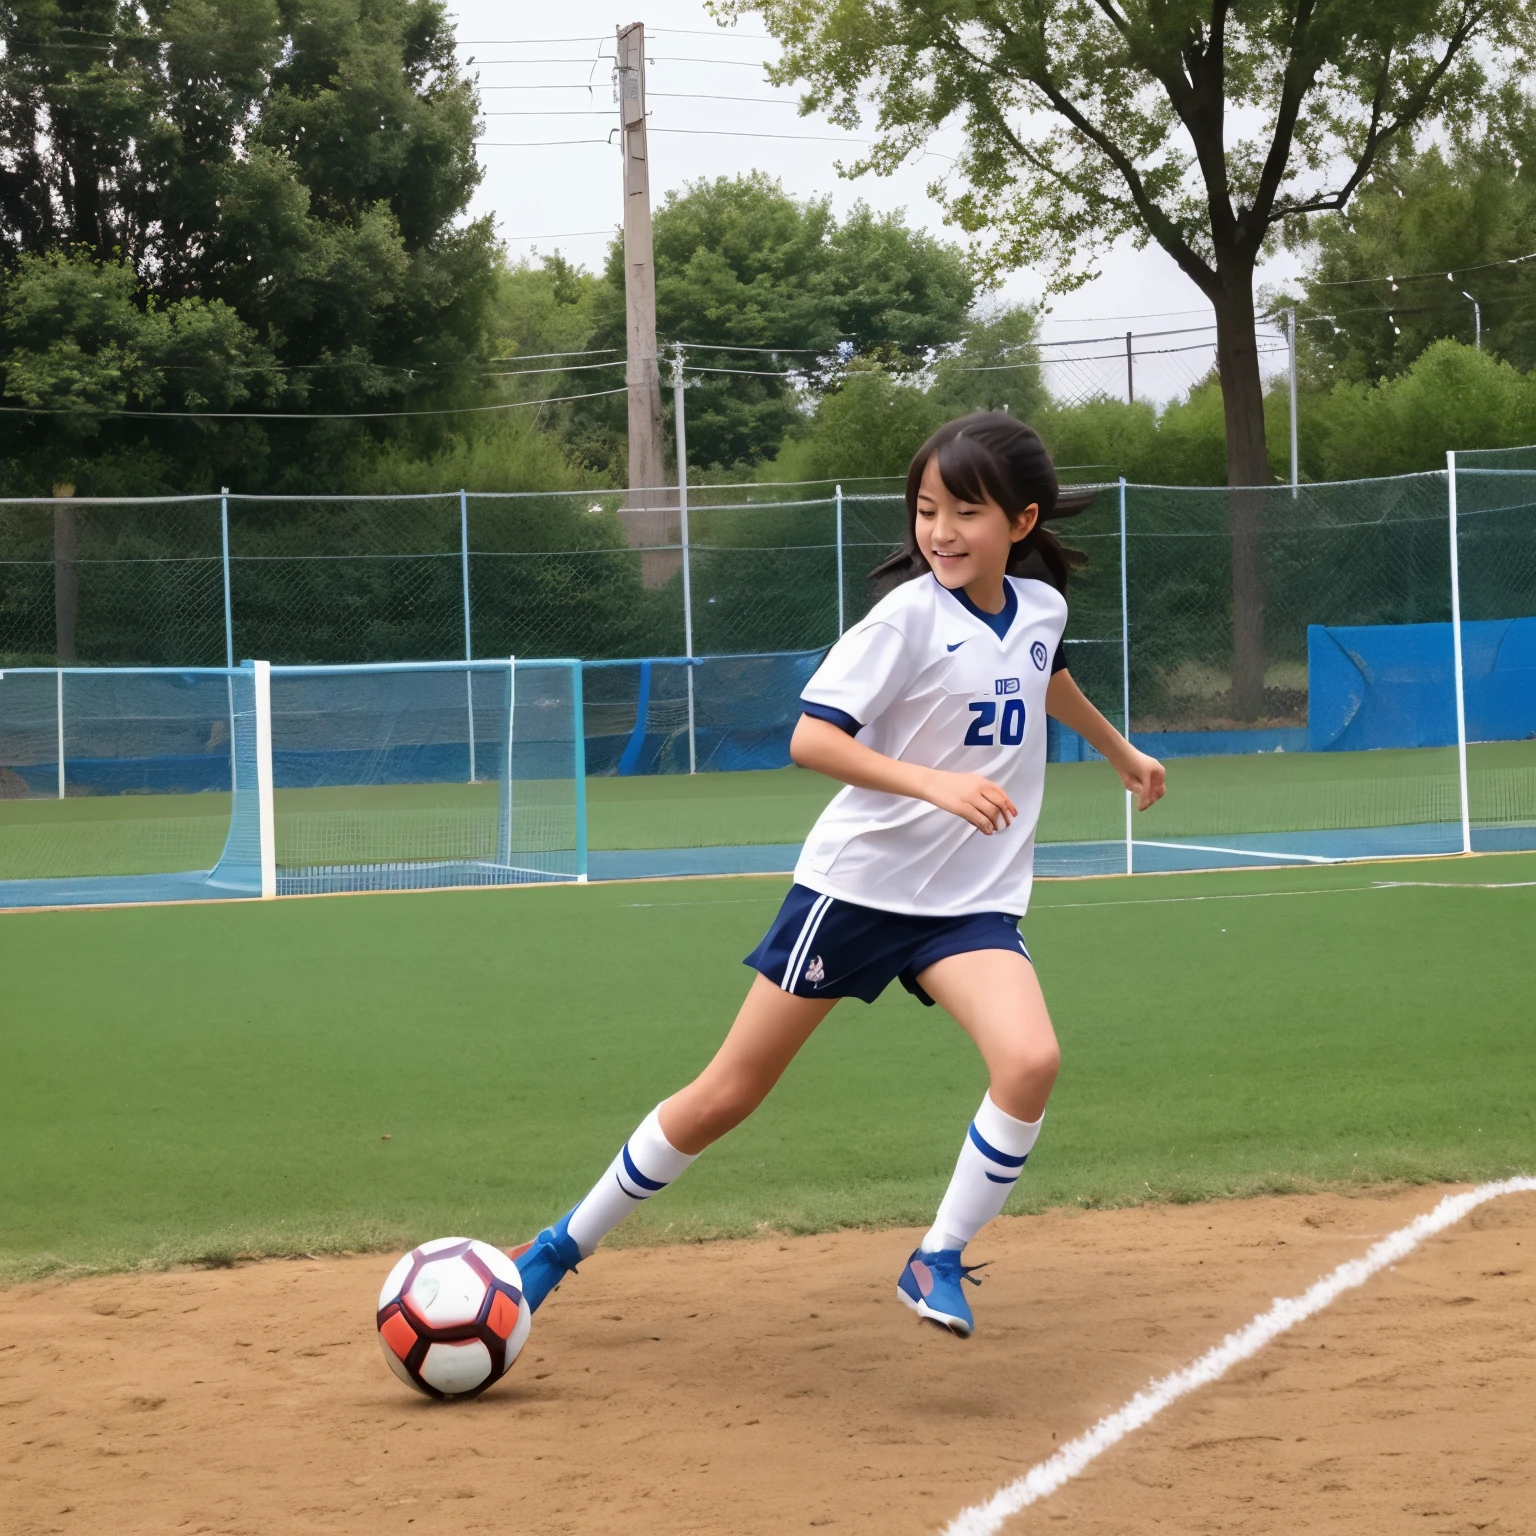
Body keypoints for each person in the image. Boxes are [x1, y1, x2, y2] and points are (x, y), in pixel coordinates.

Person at [512, 412, 1166, 1338]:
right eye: (926, 508)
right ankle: (554, 1250)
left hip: (967, 902)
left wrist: (1121, 753)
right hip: (857, 889)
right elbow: (810, 739)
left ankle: (935, 1256)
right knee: (728, 1093)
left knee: (1031, 1061)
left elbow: (1043, 674)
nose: (938, 531)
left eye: (965, 512)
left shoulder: (1041, 609)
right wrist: (934, 783)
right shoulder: (904, 617)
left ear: (1020, 523)